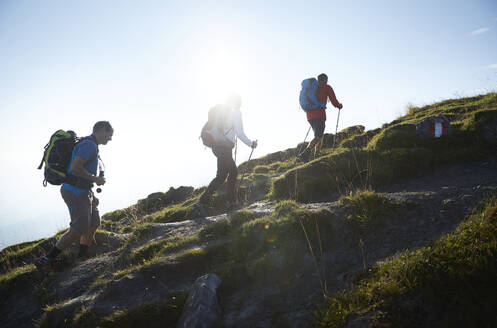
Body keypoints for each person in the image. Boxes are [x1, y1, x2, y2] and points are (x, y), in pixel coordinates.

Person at [35, 121, 113, 274]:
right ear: (102, 130)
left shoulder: (90, 144)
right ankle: (46, 259)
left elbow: (80, 169)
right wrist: (95, 179)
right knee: (79, 229)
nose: (110, 139)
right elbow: (75, 168)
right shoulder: (89, 145)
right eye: (110, 135)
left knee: (94, 222)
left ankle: (82, 255)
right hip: (75, 192)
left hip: (84, 191)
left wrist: (91, 191)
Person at [195, 94, 257, 216]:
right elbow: (239, 133)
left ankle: (228, 202)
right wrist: (251, 144)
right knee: (225, 174)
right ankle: (208, 202)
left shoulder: (222, 112)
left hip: (217, 146)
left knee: (226, 174)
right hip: (224, 147)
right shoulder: (235, 112)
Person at [299, 73, 343, 161]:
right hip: (319, 114)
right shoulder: (326, 87)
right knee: (318, 136)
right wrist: (339, 105)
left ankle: (317, 154)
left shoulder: (313, 88)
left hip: (309, 115)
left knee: (319, 134)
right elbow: (333, 100)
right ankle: (304, 154)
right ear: (325, 80)